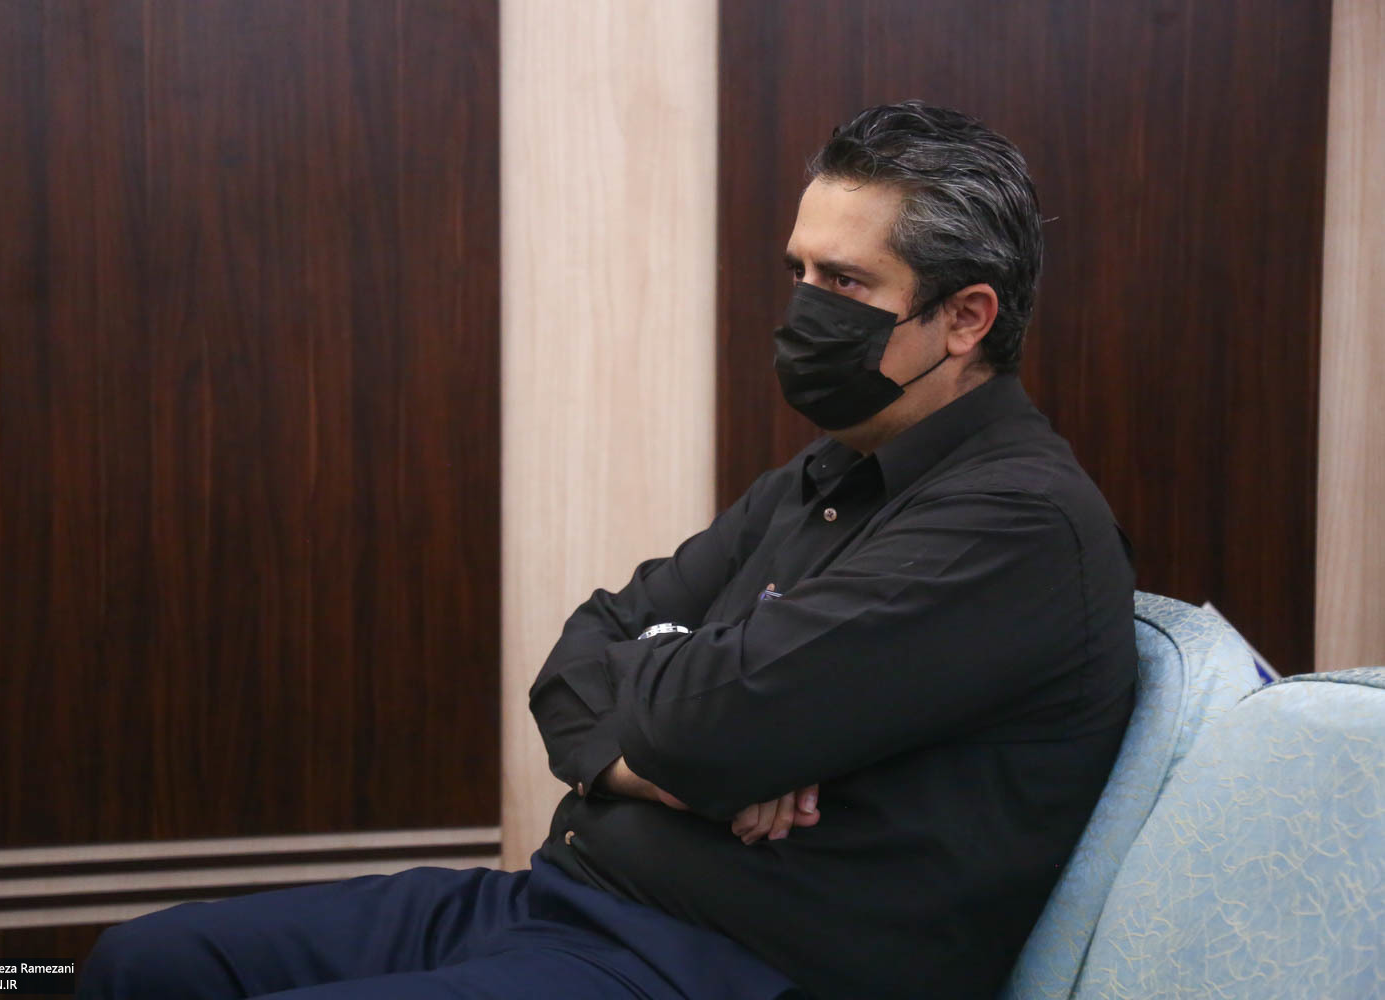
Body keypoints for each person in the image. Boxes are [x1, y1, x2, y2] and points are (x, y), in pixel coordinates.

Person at [79, 101, 1135, 1000]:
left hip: (716, 965)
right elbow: (583, 651)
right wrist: (680, 749)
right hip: (563, 901)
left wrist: (690, 715)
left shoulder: (1014, 522)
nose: (805, 307)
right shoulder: (830, 468)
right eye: (798, 271)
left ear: (966, 318)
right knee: (145, 963)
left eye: (845, 283)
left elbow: (705, 722)